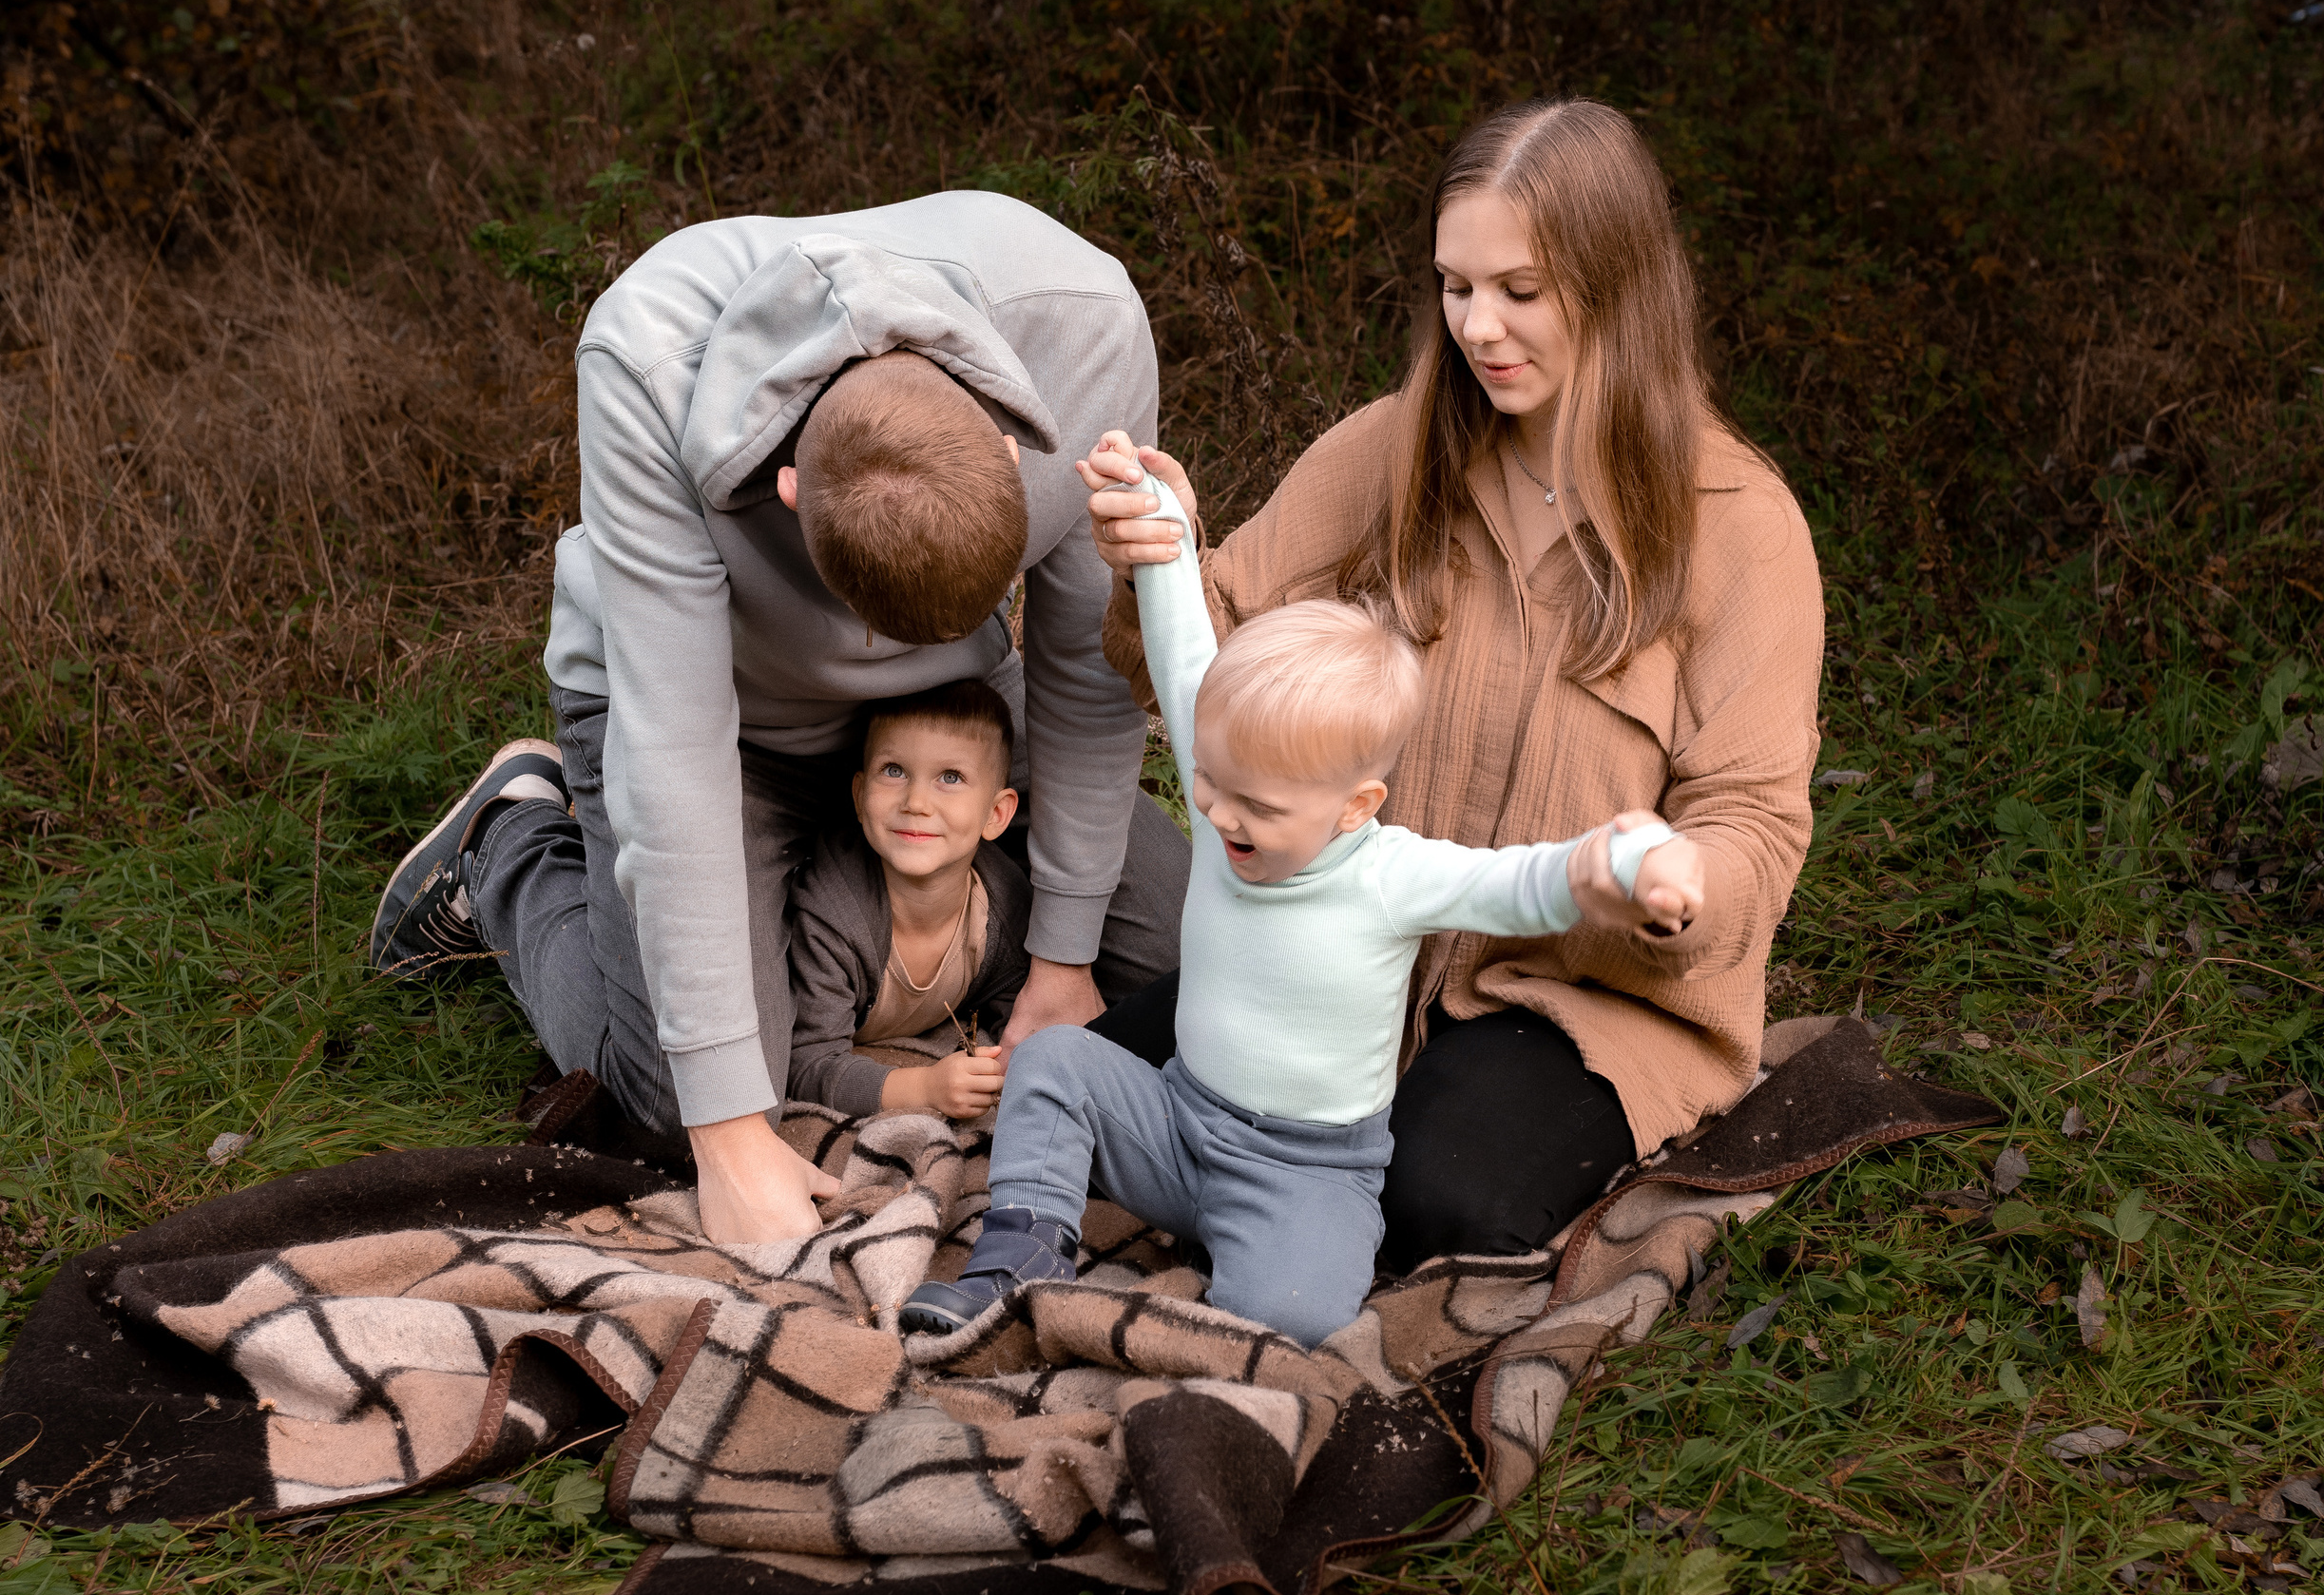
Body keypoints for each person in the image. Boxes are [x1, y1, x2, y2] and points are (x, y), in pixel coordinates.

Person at [1080, 98, 1826, 1274]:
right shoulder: (1394, 447)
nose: (1478, 326)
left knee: (1430, 1198)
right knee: (1089, 1092)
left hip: (1572, 995)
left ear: (1618, 286)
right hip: (1343, 945)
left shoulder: (1742, 529)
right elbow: (1215, 652)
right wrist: (1153, 565)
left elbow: (1752, 818)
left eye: (1520, 291)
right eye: (1455, 285)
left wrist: (1681, 883)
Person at [370, 194, 1190, 1242]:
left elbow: (1080, 664)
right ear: (789, 489)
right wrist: (723, 1132)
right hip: (712, 719)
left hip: (950, 708)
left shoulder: (1087, 327)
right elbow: (675, 756)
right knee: (674, 1098)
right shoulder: (645, 362)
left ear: (1007, 442)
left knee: (1183, 961)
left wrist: (1066, 957)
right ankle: (509, 845)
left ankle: (906, 935)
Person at [900, 471, 1681, 1344]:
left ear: (1355, 805)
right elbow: (1183, 652)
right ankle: (1020, 1256)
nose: (1220, 815)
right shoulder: (1231, 793)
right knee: (1054, 1063)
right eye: (1208, 782)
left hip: (1304, 1171)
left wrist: (1617, 863)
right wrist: (1159, 523)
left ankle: (1235, 1310)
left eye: (1258, 808)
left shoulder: (1391, 876)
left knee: (1293, 1317)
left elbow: (1518, 883)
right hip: (1176, 1119)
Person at [784, 680, 1029, 1124]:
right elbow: (803, 1064)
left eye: (950, 777)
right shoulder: (831, 918)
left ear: (996, 815)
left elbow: (1019, 1005)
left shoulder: (1001, 909)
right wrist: (924, 1088)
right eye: (894, 770)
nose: (916, 802)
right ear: (860, 796)